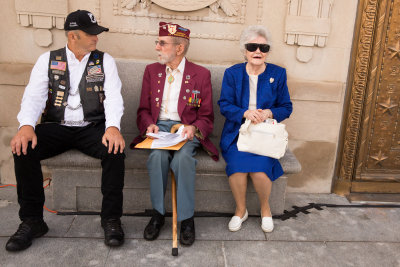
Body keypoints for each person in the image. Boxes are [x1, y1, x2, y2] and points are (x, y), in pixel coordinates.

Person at [6, 10, 125, 251]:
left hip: (91, 127)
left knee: (115, 151)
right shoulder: (48, 60)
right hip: (56, 127)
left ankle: (111, 219)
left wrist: (113, 127)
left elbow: (113, 97)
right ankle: (32, 221)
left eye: (96, 33)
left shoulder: (105, 61)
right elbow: (34, 96)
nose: (96, 38)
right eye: (91, 34)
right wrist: (26, 126)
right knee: (23, 148)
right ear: (73, 36)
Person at [131, 22, 219, 246]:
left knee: (183, 161)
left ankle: (187, 219)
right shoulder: (152, 70)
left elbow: (207, 116)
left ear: (179, 48)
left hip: (185, 130)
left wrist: (192, 128)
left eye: (162, 43)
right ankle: (158, 215)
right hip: (159, 129)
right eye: (157, 42)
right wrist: (149, 124)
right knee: (157, 157)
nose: (157, 47)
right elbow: (143, 109)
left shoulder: (200, 74)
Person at [218, 25, 292, 233]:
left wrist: (268, 112)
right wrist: (244, 113)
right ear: (244, 50)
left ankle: (265, 209)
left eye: (263, 47)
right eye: (252, 47)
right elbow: (224, 104)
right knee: (237, 170)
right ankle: (241, 211)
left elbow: (286, 107)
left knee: (259, 171)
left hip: (264, 137)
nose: (258, 51)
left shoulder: (278, 74)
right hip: (237, 134)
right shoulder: (232, 74)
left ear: (268, 51)